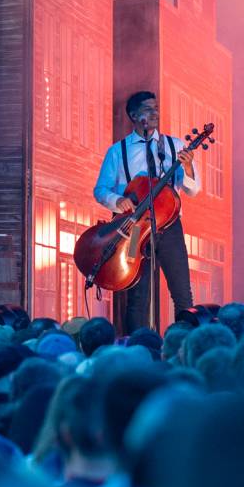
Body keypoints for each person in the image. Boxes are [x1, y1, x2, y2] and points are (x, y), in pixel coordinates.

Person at [93, 90, 201, 332]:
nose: (155, 113)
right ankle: (138, 351)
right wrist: (117, 200)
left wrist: (188, 168)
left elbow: (193, 190)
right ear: (134, 115)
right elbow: (100, 189)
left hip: (170, 228)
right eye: (148, 109)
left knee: (182, 293)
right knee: (137, 296)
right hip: (133, 230)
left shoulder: (175, 146)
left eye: (156, 108)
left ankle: (184, 347)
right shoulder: (117, 151)